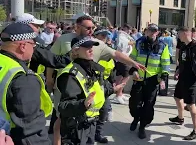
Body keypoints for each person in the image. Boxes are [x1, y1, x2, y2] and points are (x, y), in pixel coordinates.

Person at [47, 16, 145, 145]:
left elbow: (115, 54)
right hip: (67, 86)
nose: (91, 30)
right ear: (77, 26)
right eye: (88, 27)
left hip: (88, 89)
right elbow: (51, 61)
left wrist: (133, 63)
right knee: (62, 119)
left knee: (85, 121)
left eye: (93, 27)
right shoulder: (63, 40)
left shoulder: (95, 42)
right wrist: (49, 80)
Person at [57, 36, 123, 145]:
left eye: (92, 46)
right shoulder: (71, 74)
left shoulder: (91, 68)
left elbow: (98, 91)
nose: (91, 49)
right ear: (75, 51)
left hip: (90, 124)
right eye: (87, 47)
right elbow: (64, 106)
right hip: (76, 128)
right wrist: (83, 104)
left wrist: (113, 89)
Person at [0, 22, 52, 144]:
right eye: (33, 45)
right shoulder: (23, 78)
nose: (34, 49)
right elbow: (30, 131)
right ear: (23, 46)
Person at [128, 24, 170, 139]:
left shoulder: (163, 45)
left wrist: (163, 78)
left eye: (155, 31)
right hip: (139, 78)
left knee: (148, 105)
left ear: (157, 33)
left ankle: (142, 126)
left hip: (152, 80)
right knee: (134, 104)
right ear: (146, 31)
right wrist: (133, 70)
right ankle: (136, 118)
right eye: (150, 30)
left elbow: (165, 63)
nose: (152, 33)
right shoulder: (139, 43)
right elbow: (132, 59)